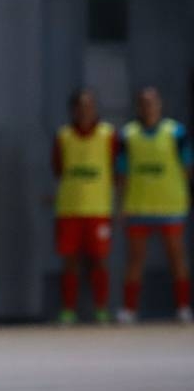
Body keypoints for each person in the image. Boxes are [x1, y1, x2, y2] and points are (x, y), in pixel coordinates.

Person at [117, 87, 192, 323]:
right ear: (138, 106)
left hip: (170, 205)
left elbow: (188, 167)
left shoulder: (176, 132)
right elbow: (122, 173)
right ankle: (129, 309)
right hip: (139, 205)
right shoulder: (128, 135)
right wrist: (120, 204)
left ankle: (183, 307)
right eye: (143, 103)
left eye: (152, 102)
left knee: (177, 257)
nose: (148, 107)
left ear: (160, 105)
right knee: (135, 260)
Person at [51, 88, 116, 324]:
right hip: (69, 209)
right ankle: (68, 310)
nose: (85, 110)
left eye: (89, 106)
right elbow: (58, 169)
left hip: (98, 209)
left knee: (99, 260)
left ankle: (101, 309)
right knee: (70, 261)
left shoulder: (108, 135)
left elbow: (117, 171)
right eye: (80, 106)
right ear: (73, 109)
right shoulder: (64, 136)